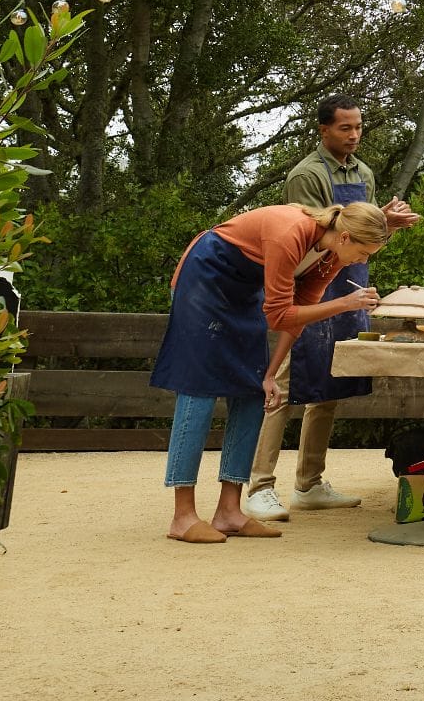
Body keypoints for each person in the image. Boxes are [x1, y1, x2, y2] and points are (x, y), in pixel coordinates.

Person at [150, 200, 388, 544]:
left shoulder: (333, 254)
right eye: (364, 252)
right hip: (207, 273)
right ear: (346, 236)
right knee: (198, 388)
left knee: (251, 391)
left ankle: (229, 512)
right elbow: (279, 316)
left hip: (244, 285)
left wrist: (270, 374)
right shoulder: (290, 234)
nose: (364, 261)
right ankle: (183, 516)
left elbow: (298, 316)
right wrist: (345, 304)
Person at [243, 96, 420, 523]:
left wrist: (386, 225)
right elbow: (325, 230)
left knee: (330, 382)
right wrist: (378, 217)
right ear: (323, 130)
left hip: (349, 281)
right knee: (285, 384)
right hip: (311, 284)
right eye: (345, 128)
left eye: (359, 127)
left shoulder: (365, 173)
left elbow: (363, 237)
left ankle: (309, 483)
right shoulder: (306, 174)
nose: (354, 135)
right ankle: (260, 485)